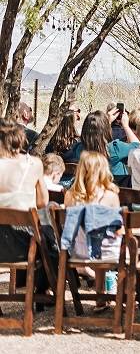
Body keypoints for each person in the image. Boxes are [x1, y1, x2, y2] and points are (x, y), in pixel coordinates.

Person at [0, 119, 52, 294]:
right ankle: (43, 288)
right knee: (50, 237)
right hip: (26, 245)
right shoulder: (33, 164)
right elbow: (42, 202)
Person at [64, 151, 122, 307]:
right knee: (131, 251)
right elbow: (118, 229)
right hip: (105, 253)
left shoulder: (70, 196)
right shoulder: (110, 196)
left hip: (79, 253)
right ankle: (122, 295)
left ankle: (100, 295)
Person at [67, 109, 140, 187]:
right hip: (115, 192)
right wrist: (126, 125)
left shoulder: (79, 149)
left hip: (90, 188)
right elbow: (137, 146)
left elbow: (96, 136)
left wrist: (107, 122)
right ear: (106, 129)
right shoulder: (114, 149)